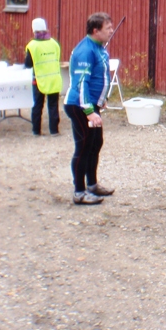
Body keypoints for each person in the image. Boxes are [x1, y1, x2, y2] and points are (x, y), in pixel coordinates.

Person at [64, 12, 115, 205]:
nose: (111, 31)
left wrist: (101, 100)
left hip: (92, 105)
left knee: (96, 144)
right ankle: (79, 192)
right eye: (107, 28)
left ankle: (92, 184)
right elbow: (82, 83)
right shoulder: (85, 51)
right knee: (83, 147)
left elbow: (99, 78)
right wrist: (89, 111)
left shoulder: (99, 48)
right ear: (96, 30)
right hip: (79, 106)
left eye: (111, 27)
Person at [24, 18, 62, 136]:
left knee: (37, 106)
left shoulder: (32, 46)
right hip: (54, 79)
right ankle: (54, 130)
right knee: (53, 106)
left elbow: (28, 64)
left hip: (39, 80)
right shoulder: (54, 44)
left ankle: (36, 130)